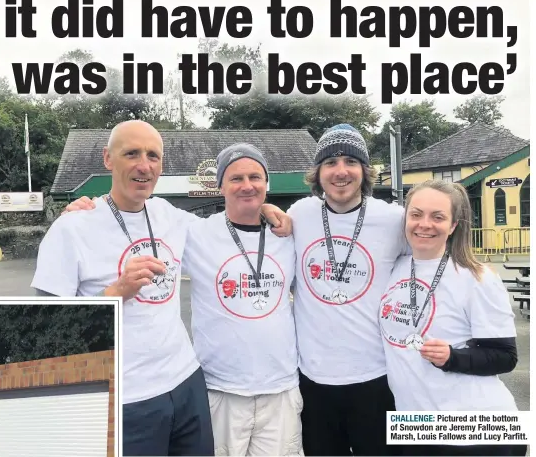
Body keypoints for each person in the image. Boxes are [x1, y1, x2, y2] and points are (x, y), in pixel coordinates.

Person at [33, 121, 290, 456]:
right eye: (132, 154)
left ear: (162, 165)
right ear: (108, 159)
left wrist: (265, 208)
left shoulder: (169, 215)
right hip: (127, 397)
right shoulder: (73, 227)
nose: (144, 165)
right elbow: (46, 326)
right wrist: (115, 293)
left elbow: (231, 226)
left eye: (152, 155)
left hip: (187, 384)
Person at [378, 180, 524, 457]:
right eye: (416, 214)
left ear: (454, 225)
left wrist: (451, 357)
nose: (425, 224)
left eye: (438, 217)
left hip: (476, 428)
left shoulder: (477, 277)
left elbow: (506, 356)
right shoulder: (394, 267)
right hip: (414, 425)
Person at [287, 124, 406, 456]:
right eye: (330, 162)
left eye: (351, 162)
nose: (341, 172)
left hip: (377, 377)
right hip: (313, 379)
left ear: (365, 171)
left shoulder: (394, 219)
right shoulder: (299, 214)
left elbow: (430, 258)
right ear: (318, 172)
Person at [182, 144, 302, 456]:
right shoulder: (195, 234)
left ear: (267, 183)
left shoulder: (290, 235)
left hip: (280, 388)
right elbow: (137, 216)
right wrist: (89, 207)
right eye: (235, 178)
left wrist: (273, 211)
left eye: (255, 177)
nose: (247, 185)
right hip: (220, 389)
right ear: (220, 185)